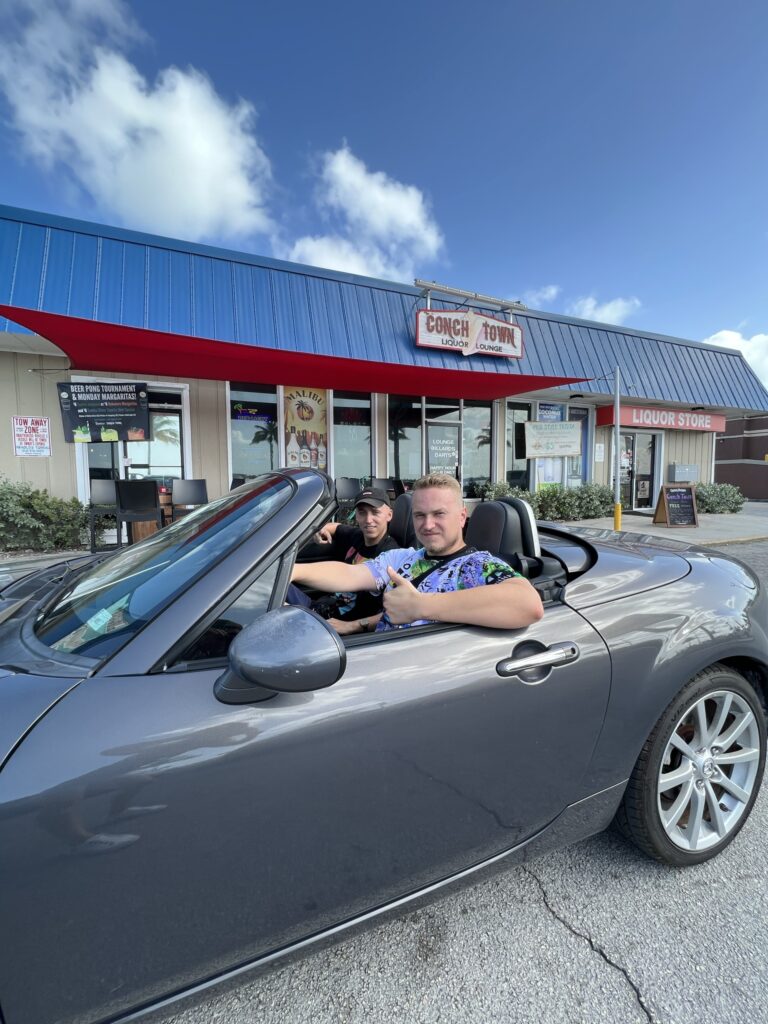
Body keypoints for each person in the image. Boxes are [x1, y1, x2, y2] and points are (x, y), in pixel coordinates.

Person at [290, 473, 544, 633]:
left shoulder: (477, 565)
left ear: (462, 517)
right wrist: (291, 571)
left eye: (439, 514)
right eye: (420, 515)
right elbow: (349, 575)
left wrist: (421, 606)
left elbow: (528, 604)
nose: (428, 524)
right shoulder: (402, 557)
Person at [289, 487, 398, 634]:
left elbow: (397, 612)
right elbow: (336, 527)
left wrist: (352, 626)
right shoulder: (358, 536)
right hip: (320, 608)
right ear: (356, 516)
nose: (368, 520)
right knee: (270, 582)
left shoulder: (392, 555)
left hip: (336, 626)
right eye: (362, 512)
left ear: (389, 515)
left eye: (375, 512)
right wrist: (321, 530)